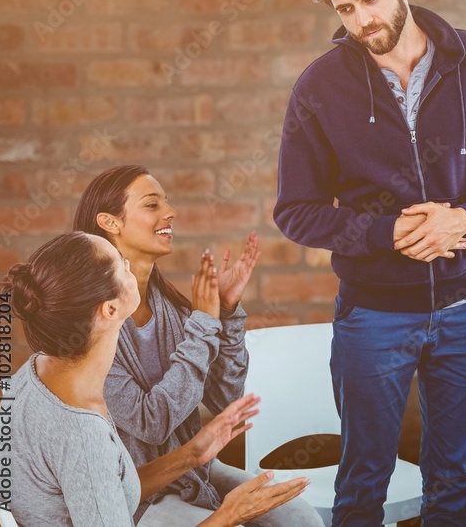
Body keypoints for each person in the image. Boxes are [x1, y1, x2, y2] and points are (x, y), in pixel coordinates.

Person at [274, 0, 466, 525]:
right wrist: (390, 232)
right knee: (363, 482)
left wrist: (465, 216)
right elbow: (296, 210)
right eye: (346, 9)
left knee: (454, 479)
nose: (363, 19)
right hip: (373, 316)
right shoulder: (318, 88)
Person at [0, 231, 309, 526]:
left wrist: (192, 454)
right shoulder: (82, 432)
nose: (129, 264)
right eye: (120, 264)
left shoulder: (34, 372)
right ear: (111, 310)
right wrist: (228, 516)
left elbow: (108, 489)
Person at [74, 165, 322, 526]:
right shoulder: (92, 325)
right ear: (110, 223)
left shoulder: (171, 308)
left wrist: (226, 314)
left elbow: (224, 398)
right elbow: (151, 423)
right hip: (135, 496)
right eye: (152, 204)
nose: (169, 212)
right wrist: (205, 324)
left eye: (167, 203)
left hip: (195, 474)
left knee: (301, 519)